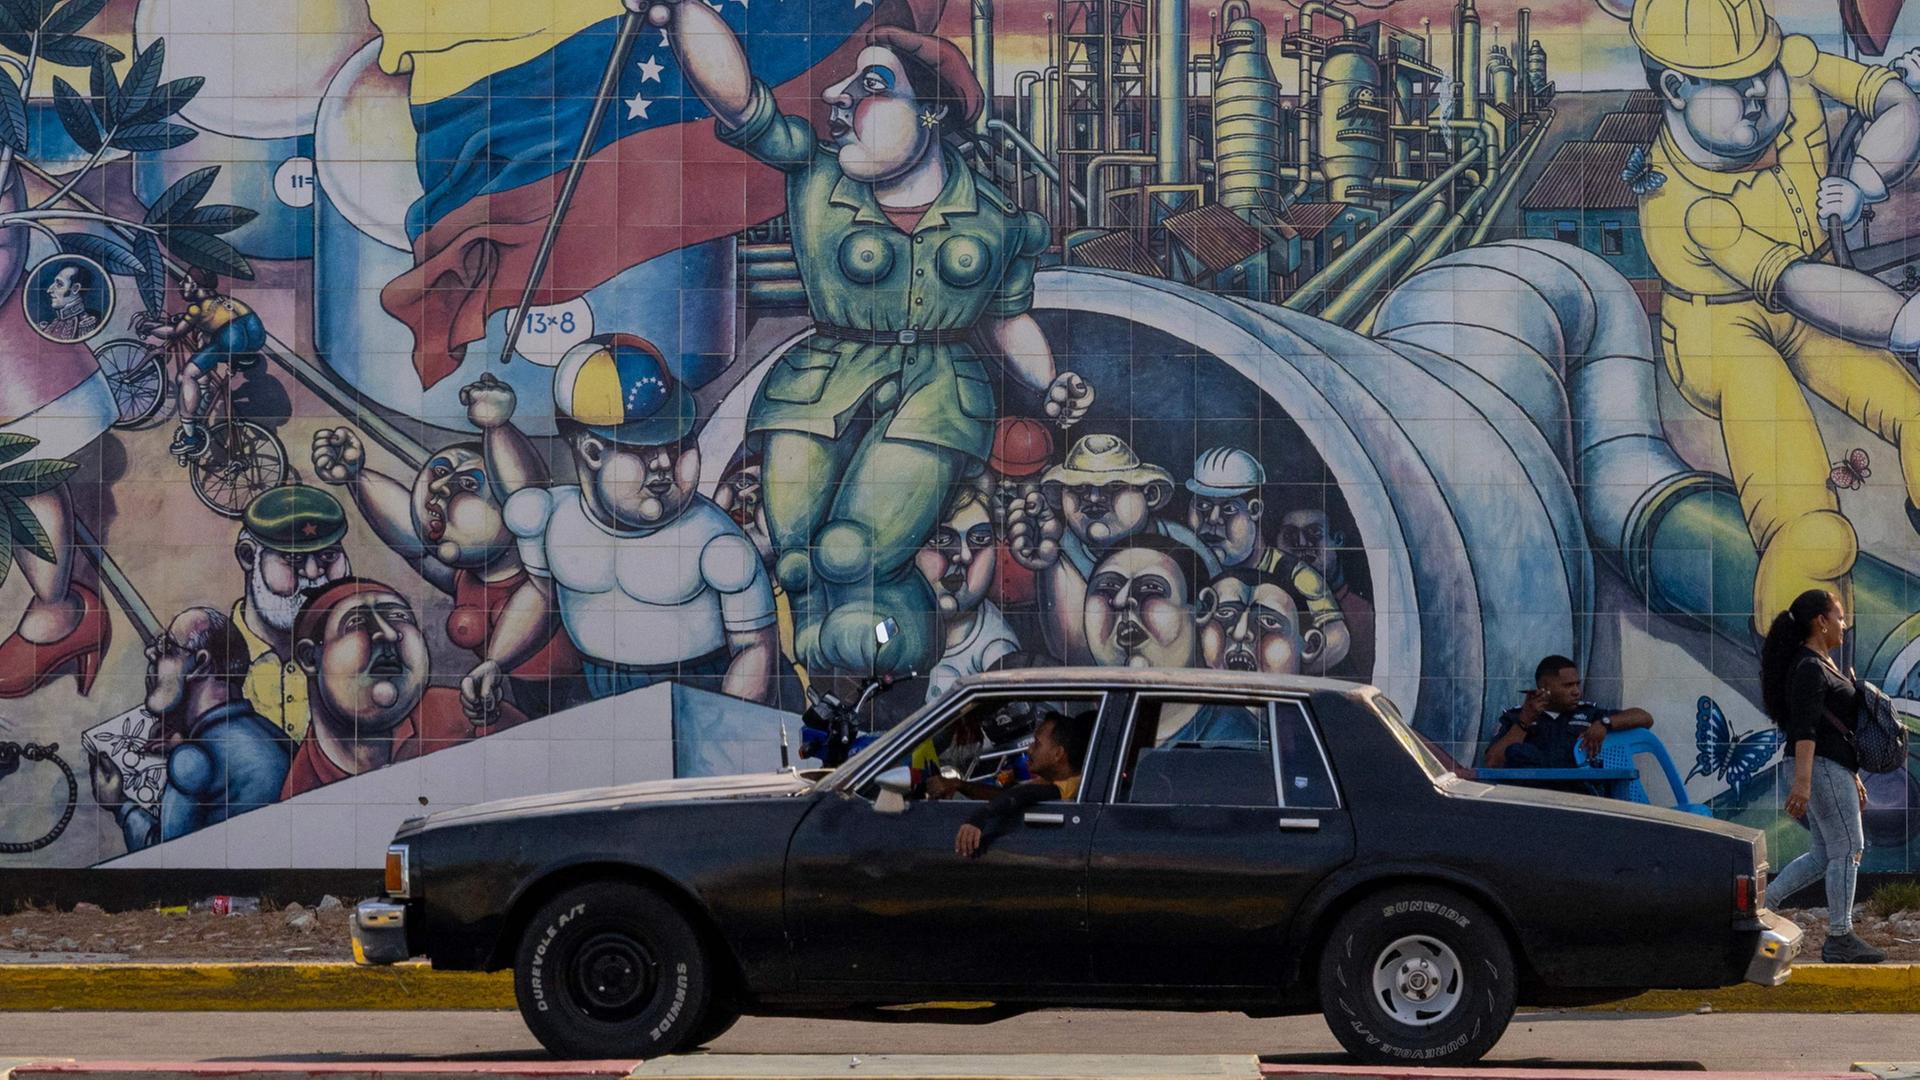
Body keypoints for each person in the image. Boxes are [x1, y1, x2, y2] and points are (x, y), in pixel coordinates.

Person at [655, 0, 1093, 680]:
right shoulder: (816, 175)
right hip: (818, 383)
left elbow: (1007, 317)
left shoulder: (998, 220)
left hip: (939, 395)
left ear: (932, 112)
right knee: (796, 557)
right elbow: (743, 105)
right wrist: (683, 12)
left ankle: (892, 634)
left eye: (871, 86)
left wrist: (1048, 381)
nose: (838, 96)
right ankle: (818, 644)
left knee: (850, 550)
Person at [1631, 0, 1920, 637]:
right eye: (1736, 82)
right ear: (1675, 88)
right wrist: (1900, 319)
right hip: (1724, 332)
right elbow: (1795, 284)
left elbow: (1896, 102)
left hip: (1821, 292)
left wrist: (1867, 175)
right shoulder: (1679, 202)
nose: (1761, 91)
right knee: (1805, 515)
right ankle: (1801, 646)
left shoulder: (1790, 62)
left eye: (1764, 71)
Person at [470, 336, 779, 709]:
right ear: (591, 452)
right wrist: (496, 662)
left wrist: (726, 725)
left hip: (704, 693)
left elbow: (755, 648)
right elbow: (542, 595)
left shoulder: (716, 545)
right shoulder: (552, 520)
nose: (664, 463)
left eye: (678, 444)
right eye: (642, 449)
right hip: (598, 693)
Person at [311, 374, 583, 716]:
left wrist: (498, 427)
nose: (440, 488)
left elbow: (529, 506)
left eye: (468, 484)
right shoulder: (465, 577)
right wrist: (357, 476)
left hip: (577, 692)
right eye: (440, 472)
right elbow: (410, 541)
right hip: (519, 695)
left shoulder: (544, 573)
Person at [281, 578, 527, 799]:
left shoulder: (473, 718)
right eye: (356, 622)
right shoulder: (302, 794)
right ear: (310, 658)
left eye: (399, 617)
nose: (388, 634)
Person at [89, 606, 291, 851]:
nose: (150, 653)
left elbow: (167, 858)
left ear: (201, 664)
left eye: (167, 648)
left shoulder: (194, 759)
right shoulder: (272, 734)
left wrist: (119, 804)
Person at [1760, 588, 1886, 963]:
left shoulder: (1821, 664)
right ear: (1821, 621)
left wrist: (1851, 774)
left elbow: (1833, 730)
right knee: (1849, 848)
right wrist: (1803, 782)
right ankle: (1840, 936)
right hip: (1819, 767)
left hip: (1830, 768)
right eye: (1839, 616)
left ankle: (1761, 908)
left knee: (1823, 854)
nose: (1844, 624)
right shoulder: (1810, 668)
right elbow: (1806, 728)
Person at [1186, 447, 1349, 672]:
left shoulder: (1296, 575)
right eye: (1202, 506)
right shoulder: (1190, 567)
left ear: (1255, 510)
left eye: (1229, 509)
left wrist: (1281, 666)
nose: (1213, 519)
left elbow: (1337, 638)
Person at [229, 485, 353, 742]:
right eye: (294, 558)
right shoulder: (209, 661)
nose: (313, 573)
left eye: (329, 555)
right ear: (248, 556)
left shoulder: (361, 655)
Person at [143, 269, 269, 461]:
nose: (181, 285)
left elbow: (175, 332)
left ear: (195, 285)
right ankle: (202, 403)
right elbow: (213, 323)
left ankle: (190, 438)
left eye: (185, 281)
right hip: (255, 334)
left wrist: (150, 327)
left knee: (188, 375)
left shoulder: (197, 309)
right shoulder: (224, 300)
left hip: (231, 337)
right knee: (204, 353)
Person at [915, 486, 1021, 701]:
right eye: (941, 540)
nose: (964, 556)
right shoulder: (897, 623)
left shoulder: (996, 651)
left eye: (980, 539)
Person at [950, 710, 1095, 858]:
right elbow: (1007, 797)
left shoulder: (1075, 784)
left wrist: (980, 817)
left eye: (1037, 744)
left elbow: (1024, 794)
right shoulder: (1050, 780)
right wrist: (960, 785)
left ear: (1058, 754)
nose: (1029, 749)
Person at [1483, 655, 1655, 769]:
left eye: (1577, 684)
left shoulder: (1588, 714)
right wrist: (1524, 722)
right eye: (1568, 686)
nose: (1576, 692)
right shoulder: (1515, 717)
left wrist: (1605, 724)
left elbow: (1644, 718)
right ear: (1544, 687)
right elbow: (1493, 762)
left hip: (1579, 794)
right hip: (1531, 797)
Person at [1275, 506, 1374, 678]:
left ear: (1338, 540)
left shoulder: (1360, 613)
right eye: (1290, 535)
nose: (1302, 543)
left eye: (1314, 532)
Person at [38, 263, 98, 341]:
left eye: (59, 284)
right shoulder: (51, 324)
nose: (49, 290)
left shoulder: (86, 325)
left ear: (75, 288)